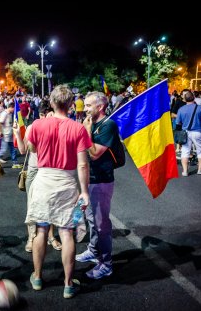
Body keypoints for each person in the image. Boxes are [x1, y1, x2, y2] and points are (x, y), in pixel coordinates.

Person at [25, 84, 91, 299]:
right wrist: (85, 192)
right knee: (66, 232)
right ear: (71, 105)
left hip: (43, 181)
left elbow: (31, 149)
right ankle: (68, 284)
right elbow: (83, 165)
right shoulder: (78, 128)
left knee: (41, 231)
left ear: (52, 103)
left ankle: (37, 277)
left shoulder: (37, 125)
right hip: (67, 184)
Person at [76, 91, 121, 279]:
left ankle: (106, 264)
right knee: (91, 220)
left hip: (101, 180)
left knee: (102, 225)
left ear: (100, 107)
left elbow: (94, 153)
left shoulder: (107, 125)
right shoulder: (91, 123)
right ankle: (94, 251)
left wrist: (85, 131)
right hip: (89, 179)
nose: (84, 109)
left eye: (88, 106)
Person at [13, 101, 63, 253]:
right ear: (41, 115)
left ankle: (51, 236)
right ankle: (31, 237)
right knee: (33, 206)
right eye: (44, 115)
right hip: (35, 171)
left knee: (51, 204)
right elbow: (22, 151)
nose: (48, 117)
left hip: (51, 170)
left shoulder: (58, 128)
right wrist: (17, 134)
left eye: (51, 114)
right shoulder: (32, 127)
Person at [175, 91, 201, 176]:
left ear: (185, 99)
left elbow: (178, 122)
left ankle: (185, 171)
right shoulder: (200, 107)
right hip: (198, 132)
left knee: (185, 151)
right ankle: (200, 170)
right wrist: (198, 120)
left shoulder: (181, 109)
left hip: (185, 133)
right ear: (194, 98)